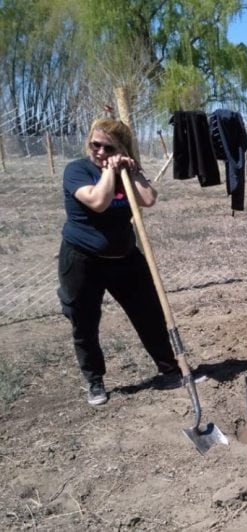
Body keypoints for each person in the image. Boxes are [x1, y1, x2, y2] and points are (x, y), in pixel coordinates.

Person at [58, 117, 206, 407]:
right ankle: (95, 381)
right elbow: (98, 201)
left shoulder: (127, 169)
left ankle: (170, 369)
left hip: (125, 257)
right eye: (95, 144)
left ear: (122, 148)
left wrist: (134, 171)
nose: (99, 151)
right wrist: (109, 172)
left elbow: (149, 199)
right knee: (84, 321)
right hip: (82, 259)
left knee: (149, 313)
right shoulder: (77, 170)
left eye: (107, 147)